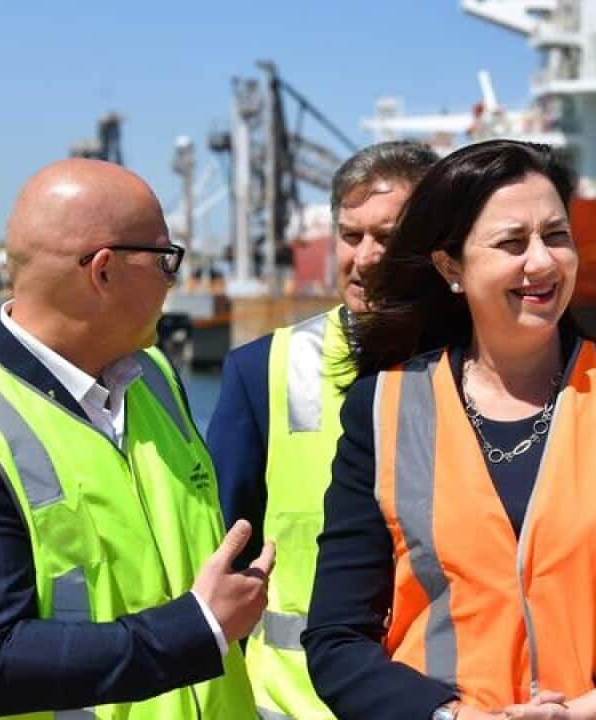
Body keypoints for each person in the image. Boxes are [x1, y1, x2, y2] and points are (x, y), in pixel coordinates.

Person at [301, 140, 596, 720]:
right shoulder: (382, 407)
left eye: (557, 236)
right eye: (513, 243)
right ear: (451, 267)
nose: (541, 262)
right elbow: (337, 640)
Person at [0, 159, 272, 719]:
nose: (175, 281)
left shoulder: (157, 380)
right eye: (165, 260)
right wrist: (198, 628)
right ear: (103, 271)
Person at [208, 140, 439, 719]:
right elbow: (222, 553)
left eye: (387, 238)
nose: (364, 258)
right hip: (296, 705)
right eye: (350, 235)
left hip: (450, 699)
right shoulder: (263, 372)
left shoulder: (494, 368)